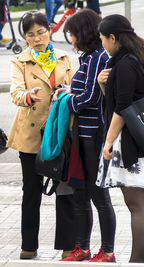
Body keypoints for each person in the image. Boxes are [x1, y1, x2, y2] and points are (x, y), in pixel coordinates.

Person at [7, 11, 75, 260]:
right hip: (31, 133)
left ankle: (68, 245)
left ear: (50, 31)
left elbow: (74, 88)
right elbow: (15, 92)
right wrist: (27, 96)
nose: (37, 39)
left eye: (41, 32)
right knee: (31, 191)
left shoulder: (64, 57)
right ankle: (29, 245)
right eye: (30, 34)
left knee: (65, 190)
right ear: (25, 37)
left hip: (60, 132)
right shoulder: (19, 61)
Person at [54, 9, 116, 262]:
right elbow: (84, 91)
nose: (70, 39)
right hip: (80, 135)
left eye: (71, 33)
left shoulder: (98, 57)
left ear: (82, 33)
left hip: (93, 135)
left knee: (98, 194)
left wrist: (64, 101)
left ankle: (108, 250)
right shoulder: (89, 56)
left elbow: (91, 97)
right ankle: (82, 247)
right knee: (79, 192)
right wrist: (68, 92)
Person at [96, 14, 144, 263]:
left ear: (113, 37)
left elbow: (122, 108)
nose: (102, 44)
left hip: (131, 141)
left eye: (103, 39)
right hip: (138, 137)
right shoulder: (135, 55)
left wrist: (108, 142)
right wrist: (104, 84)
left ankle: (137, 261)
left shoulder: (125, 63)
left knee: (136, 204)